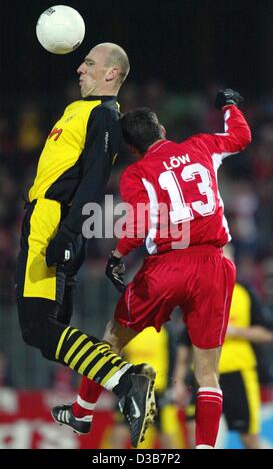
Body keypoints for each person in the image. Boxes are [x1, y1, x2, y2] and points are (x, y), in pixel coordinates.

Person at [53, 89, 252, 448]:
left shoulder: (136, 172)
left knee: (111, 339)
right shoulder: (201, 146)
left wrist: (116, 255)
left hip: (165, 265)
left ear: (131, 148)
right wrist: (230, 105)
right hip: (213, 263)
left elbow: (141, 221)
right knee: (207, 373)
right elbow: (241, 137)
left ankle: (82, 412)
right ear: (160, 129)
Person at [16, 42, 157, 448]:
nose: (80, 68)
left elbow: (94, 184)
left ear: (111, 74)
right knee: (46, 333)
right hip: (46, 219)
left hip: (52, 221)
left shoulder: (104, 116)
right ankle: (106, 394)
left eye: (90, 63)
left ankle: (126, 380)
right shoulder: (81, 110)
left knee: (37, 326)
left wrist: (66, 235)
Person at [174, 279, 273, 449]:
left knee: (248, 438)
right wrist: (179, 381)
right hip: (202, 376)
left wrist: (235, 331)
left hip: (237, 374)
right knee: (195, 435)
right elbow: (185, 343)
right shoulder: (197, 296)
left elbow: (267, 334)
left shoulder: (244, 293)